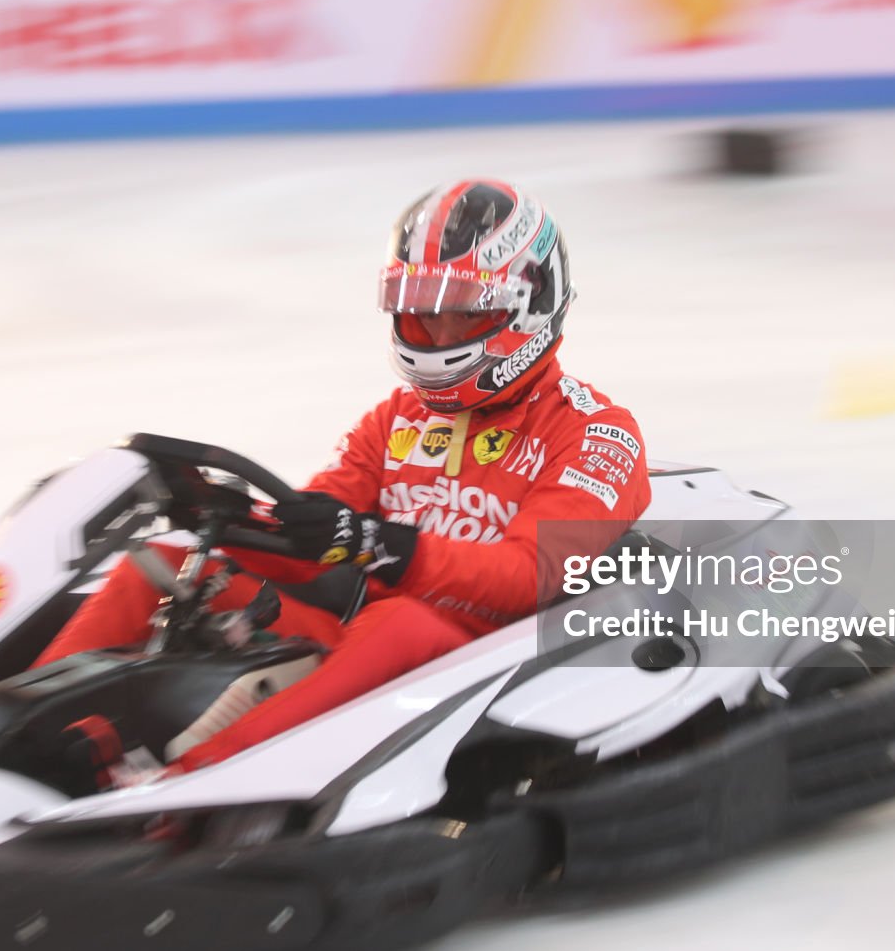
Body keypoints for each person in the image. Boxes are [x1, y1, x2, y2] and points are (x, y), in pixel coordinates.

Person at [35, 179, 652, 776]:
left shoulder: (598, 435)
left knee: (398, 624)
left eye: (462, 314)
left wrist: (375, 545)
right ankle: (17, 734)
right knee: (159, 565)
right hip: (363, 642)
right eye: (420, 312)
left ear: (530, 303)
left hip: (494, 667)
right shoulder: (394, 419)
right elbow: (314, 532)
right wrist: (224, 517)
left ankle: (188, 785)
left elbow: (529, 576)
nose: (437, 334)